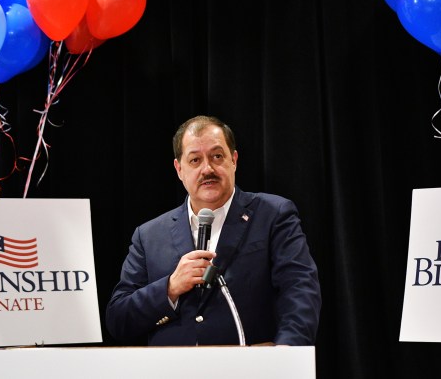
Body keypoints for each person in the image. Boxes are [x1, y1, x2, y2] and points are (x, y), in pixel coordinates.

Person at [106, 115, 321, 346]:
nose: (207, 169)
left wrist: (283, 356)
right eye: (195, 160)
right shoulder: (148, 236)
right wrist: (170, 287)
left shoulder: (273, 215)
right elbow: (119, 319)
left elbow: (300, 292)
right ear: (179, 169)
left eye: (217, 156)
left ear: (234, 160)